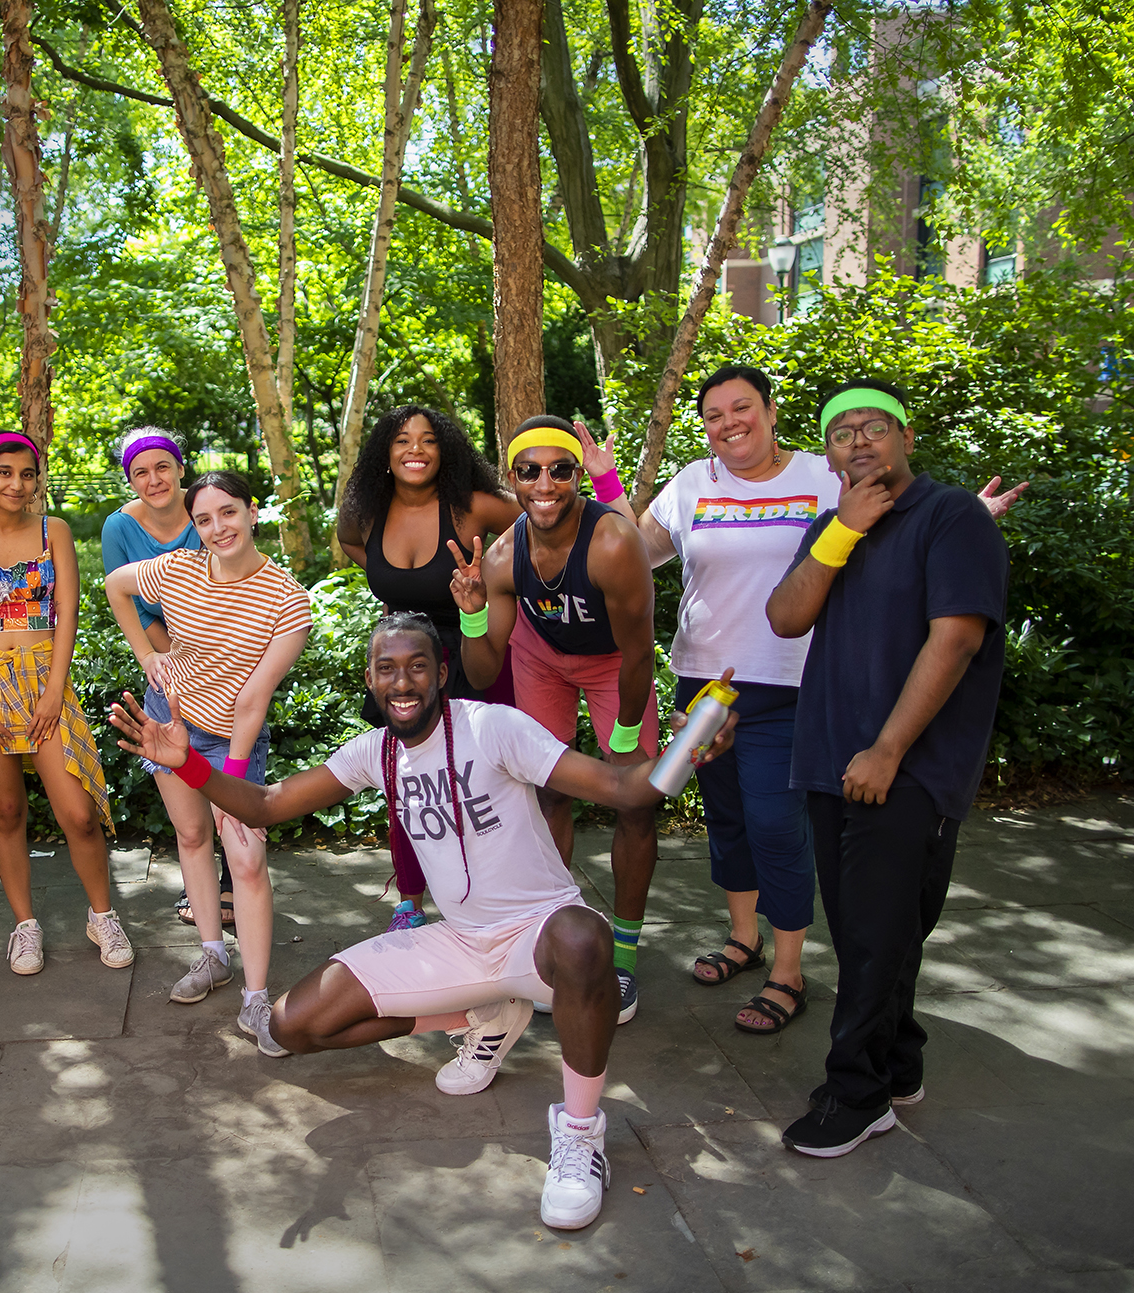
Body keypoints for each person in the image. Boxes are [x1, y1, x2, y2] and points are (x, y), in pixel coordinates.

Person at [105, 612, 733, 1229]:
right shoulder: (374, 753)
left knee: (582, 934)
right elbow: (267, 805)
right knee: (289, 1027)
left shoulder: (495, 728)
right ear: (372, 682)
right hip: (459, 943)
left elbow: (625, 789)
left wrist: (690, 747)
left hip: (538, 940)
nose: (401, 682)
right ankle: (485, 1015)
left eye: (416, 667)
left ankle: (578, 1134)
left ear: (442, 674)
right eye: (386, 669)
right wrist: (189, 764)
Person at [637, 367, 1029, 1035]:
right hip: (704, 680)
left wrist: (971, 513)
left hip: (793, 682)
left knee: (777, 827)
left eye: (742, 407)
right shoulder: (690, 484)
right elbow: (626, 554)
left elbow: (901, 508)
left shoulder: (825, 472)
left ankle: (788, 970)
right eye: (713, 414)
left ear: (771, 409)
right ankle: (743, 937)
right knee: (727, 820)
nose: (728, 422)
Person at [765, 377, 1009, 1157]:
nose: (859, 441)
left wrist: (889, 748)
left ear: (907, 436)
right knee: (874, 927)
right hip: (829, 759)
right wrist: (840, 531)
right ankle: (898, 1060)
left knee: (873, 935)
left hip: (907, 766)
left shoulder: (952, 516)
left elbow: (958, 638)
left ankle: (857, 1091)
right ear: (828, 452)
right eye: (842, 433)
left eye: (875, 427)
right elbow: (785, 616)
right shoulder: (832, 523)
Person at [336, 406, 633, 931]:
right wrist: (403, 596)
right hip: (406, 666)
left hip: (478, 652)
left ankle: (497, 900)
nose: (416, 449)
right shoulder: (367, 511)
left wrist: (511, 592)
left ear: (445, 450)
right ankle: (410, 901)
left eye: (429, 440)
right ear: (384, 451)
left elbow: (543, 522)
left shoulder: (475, 508)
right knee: (409, 785)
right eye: (403, 440)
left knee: (486, 785)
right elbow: (351, 543)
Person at [454, 415, 660, 1025]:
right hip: (542, 659)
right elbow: (486, 669)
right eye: (530, 471)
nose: (545, 483)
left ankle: (620, 956)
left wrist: (622, 735)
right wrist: (470, 614)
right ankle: (552, 940)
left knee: (636, 802)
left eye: (561, 470)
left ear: (579, 478)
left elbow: (640, 651)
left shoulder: (613, 543)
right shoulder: (500, 557)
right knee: (546, 796)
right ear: (512, 479)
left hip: (613, 663)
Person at [102, 471, 312, 1055]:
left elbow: (253, 700)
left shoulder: (288, 601)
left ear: (251, 512)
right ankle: (214, 955)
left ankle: (255, 995)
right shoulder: (176, 569)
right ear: (193, 526)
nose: (218, 527)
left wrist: (237, 783)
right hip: (170, 723)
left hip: (233, 739)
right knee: (192, 837)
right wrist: (150, 656)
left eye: (228, 513)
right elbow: (116, 585)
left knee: (245, 859)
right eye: (203, 518)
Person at [0, 430, 131, 976]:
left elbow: (68, 613)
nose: (16, 483)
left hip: (46, 679)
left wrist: (53, 691)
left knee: (78, 812)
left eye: (26, 473)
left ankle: (102, 915)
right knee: (5, 810)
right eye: (3, 472)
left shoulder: (56, 532)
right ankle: (25, 925)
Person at [99, 426, 232, 930]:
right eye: (140, 472)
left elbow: (228, 586)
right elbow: (129, 598)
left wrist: (212, 658)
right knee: (187, 792)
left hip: (223, 656)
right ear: (129, 479)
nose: (153, 480)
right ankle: (201, 883)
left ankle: (232, 880)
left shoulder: (205, 510)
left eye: (162, 467)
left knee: (232, 782)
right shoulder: (119, 528)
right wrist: (161, 657)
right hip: (167, 659)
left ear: (180, 468)